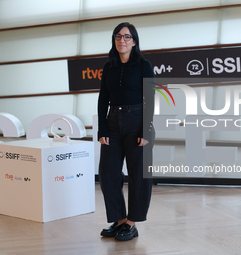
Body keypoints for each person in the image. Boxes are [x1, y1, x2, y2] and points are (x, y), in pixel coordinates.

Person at [97, 22, 155, 241]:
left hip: (137, 120)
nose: (122, 40)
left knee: (138, 175)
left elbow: (150, 99)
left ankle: (131, 223)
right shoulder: (109, 66)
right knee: (108, 173)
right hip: (112, 122)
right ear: (114, 40)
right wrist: (102, 128)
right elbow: (103, 98)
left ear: (134, 41)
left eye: (127, 37)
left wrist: (146, 130)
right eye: (118, 36)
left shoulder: (144, 65)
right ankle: (119, 220)